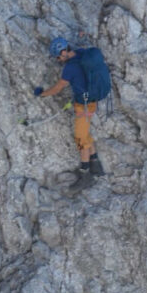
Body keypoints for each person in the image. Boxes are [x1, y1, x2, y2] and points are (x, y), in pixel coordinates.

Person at [33, 37, 108, 190]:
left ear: (63, 51)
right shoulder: (82, 53)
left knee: (80, 138)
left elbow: (58, 87)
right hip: (90, 101)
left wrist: (42, 94)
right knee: (85, 133)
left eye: (58, 56)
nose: (59, 60)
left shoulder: (70, 68)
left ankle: (85, 175)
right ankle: (96, 165)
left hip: (84, 105)